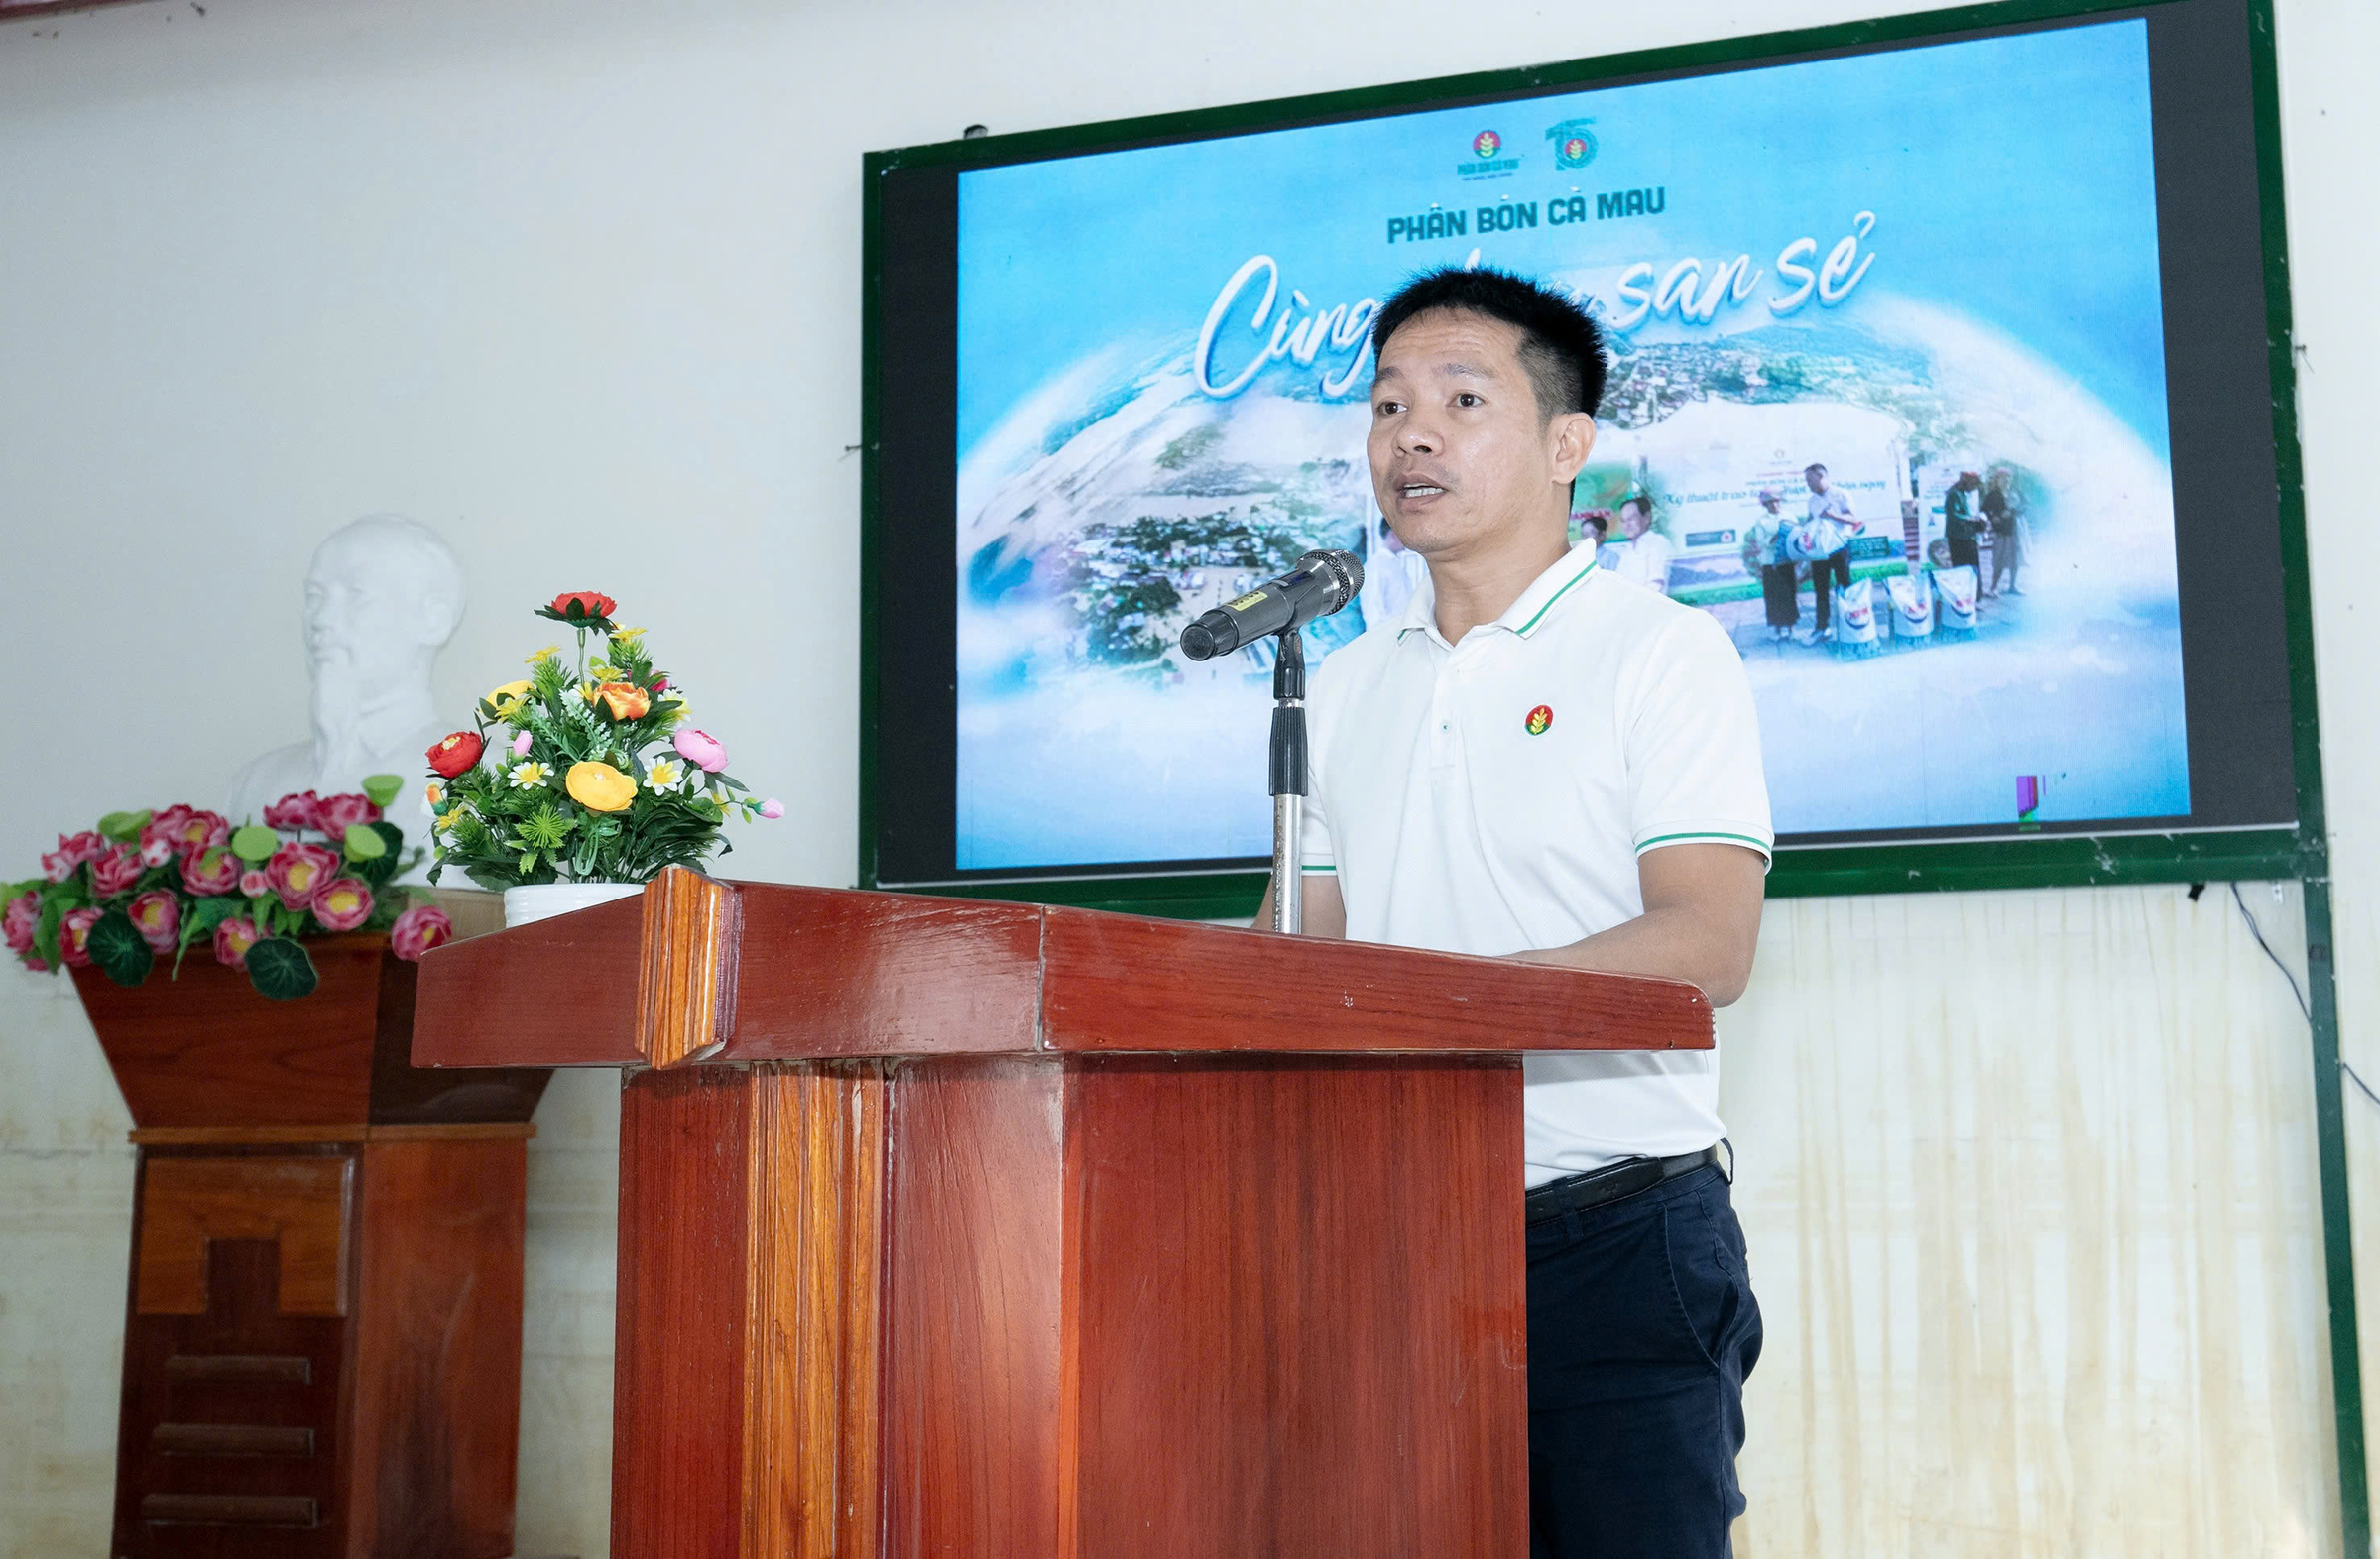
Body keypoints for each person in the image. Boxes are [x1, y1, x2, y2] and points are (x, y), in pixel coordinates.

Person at [1253, 265, 1770, 1559]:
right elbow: (1290, 961)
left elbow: (1707, 941)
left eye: (1462, 400)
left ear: (1565, 446)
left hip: (1617, 1243)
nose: (1411, 437)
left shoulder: (1660, 650)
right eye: (1387, 406)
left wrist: (1451, 1010)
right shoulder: (1342, 685)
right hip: (1390, 1239)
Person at [224, 514, 466, 849]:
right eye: (315, 597)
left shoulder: (485, 786)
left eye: (357, 594)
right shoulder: (253, 786)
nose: (321, 619)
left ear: (433, 620)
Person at [1797, 463, 1860, 645]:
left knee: (1845, 586)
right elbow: (1811, 522)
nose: (1808, 484)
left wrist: (1833, 516)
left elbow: (1853, 519)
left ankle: (1853, 625)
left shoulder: (1841, 494)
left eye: (1809, 480)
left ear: (1821, 476)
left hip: (1840, 547)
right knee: (1821, 589)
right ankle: (1821, 628)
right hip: (1820, 551)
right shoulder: (1812, 501)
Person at [1752, 489, 1798, 641]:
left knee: (1789, 594)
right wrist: (1777, 536)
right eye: (1770, 502)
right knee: (1773, 597)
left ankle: (1791, 629)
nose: (1774, 504)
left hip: (1786, 562)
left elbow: (1796, 536)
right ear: (1765, 504)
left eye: (1777, 501)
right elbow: (1761, 542)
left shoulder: (1789, 517)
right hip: (1770, 563)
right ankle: (1777, 631)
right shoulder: (1761, 521)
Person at [1608, 495, 1673, 595]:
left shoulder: (1658, 543)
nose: (1626, 525)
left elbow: (1656, 585)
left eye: (1631, 519)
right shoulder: (1628, 549)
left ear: (1646, 517)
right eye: (1623, 520)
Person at [1982, 468, 2025, 596]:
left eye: (2008, 477)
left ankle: (2012, 586)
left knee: (2015, 559)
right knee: (1999, 561)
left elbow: (2025, 506)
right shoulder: (1993, 495)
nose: (2006, 480)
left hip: (2014, 530)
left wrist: (2013, 511)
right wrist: (1993, 517)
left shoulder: (2015, 493)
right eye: (2003, 477)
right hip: (2001, 531)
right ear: (1997, 479)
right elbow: (1984, 509)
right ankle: (1993, 587)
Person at [1943, 471, 1983, 576]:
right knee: (1961, 568)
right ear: (1967, 482)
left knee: (1973, 568)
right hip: (1958, 538)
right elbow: (1952, 514)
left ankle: (1975, 586)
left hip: (1968, 537)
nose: (1975, 488)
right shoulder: (1954, 494)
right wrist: (1971, 519)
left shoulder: (1963, 494)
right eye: (1974, 485)